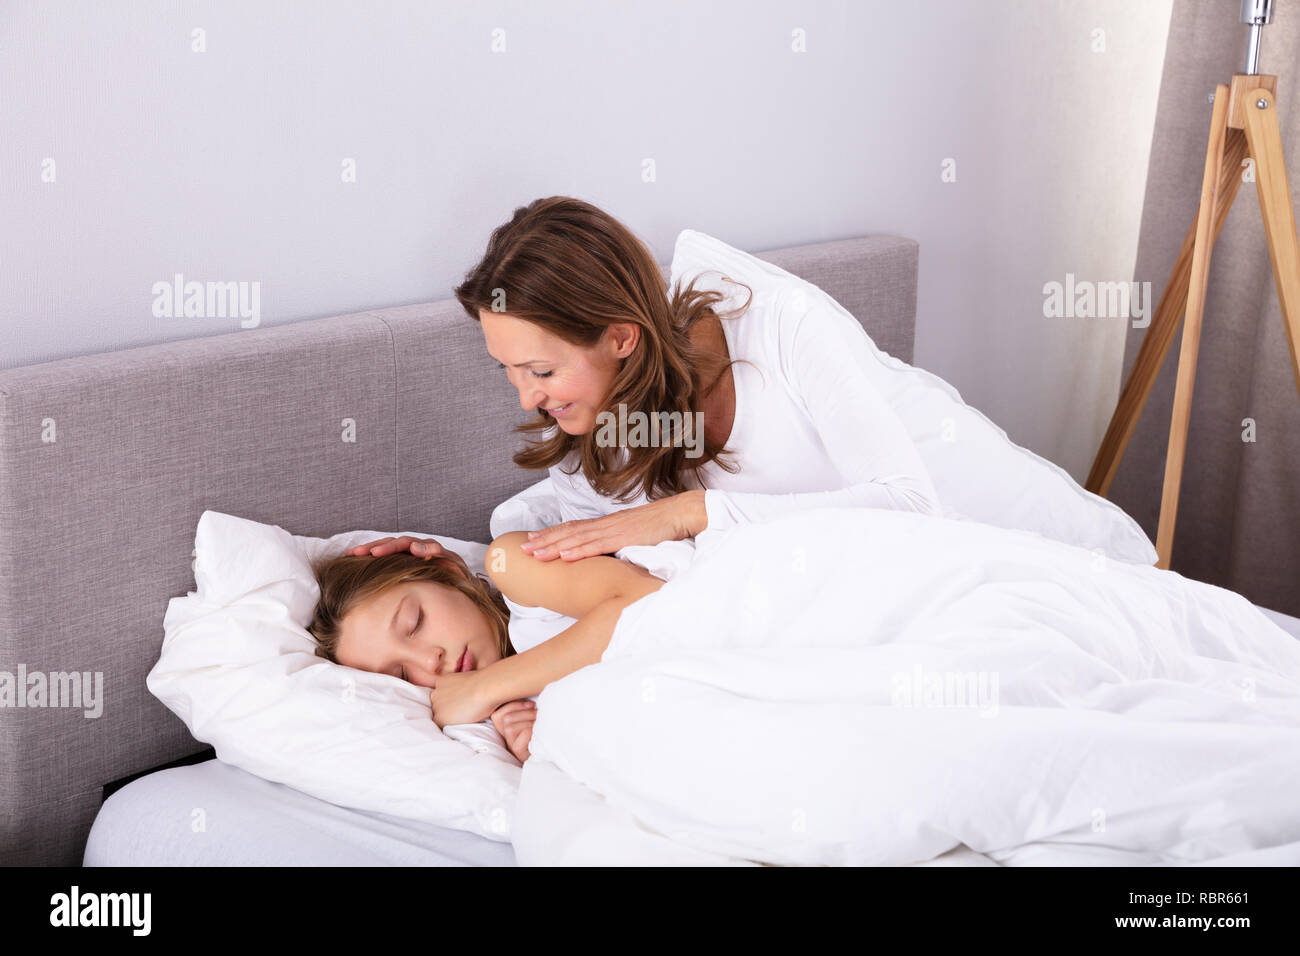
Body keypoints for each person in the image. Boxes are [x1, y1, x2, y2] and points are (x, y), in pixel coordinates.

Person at [354, 195, 940, 568]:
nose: (528, 398)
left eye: (541, 371)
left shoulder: (785, 327)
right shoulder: (591, 426)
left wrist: (690, 512)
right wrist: (462, 572)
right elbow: (606, 578)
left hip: (916, 568)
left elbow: (910, 506)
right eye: (507, 371)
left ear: (621, 338)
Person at [308, 530, 664, 762]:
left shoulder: (512, 564)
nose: (429, 663)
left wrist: (486, 686)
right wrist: (540, 752)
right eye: (401, 674)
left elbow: (650, 605)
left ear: (449, 571)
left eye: (414, 624)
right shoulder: (507, 719)